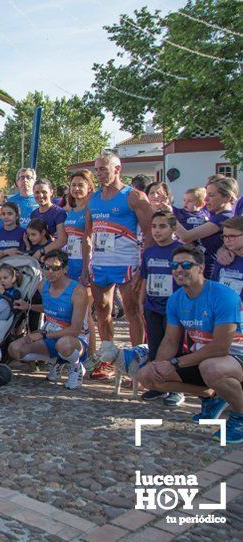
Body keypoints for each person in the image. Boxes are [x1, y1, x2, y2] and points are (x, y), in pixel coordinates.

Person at [138, 245, 243, 444]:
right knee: (147, 375)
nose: (179, 269)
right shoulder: (176, 299)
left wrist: (175, 363)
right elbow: (170, 340)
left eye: (186, 264)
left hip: (234, 356)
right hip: (204, 358)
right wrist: (159, 364)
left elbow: (221, 347)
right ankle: (211, 398)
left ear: (200, 268)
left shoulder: (223, 295)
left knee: (211, 367)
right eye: (175, 265)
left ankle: (239, 416)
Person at [85, 153, 152, 379]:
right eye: (97, 170)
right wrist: (87, 265)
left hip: (126, 263)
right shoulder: (93, 199)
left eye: (103, 169)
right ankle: (107, 357)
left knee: (133, 311)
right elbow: (87, 234)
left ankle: (138, 359)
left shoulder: (133, 196)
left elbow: (151, 233)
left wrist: (143, 268)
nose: (99, 174)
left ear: (117, 169)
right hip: (101, 265)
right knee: (102, 310)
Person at [8, 250, 91, 389]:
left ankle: (76, 367)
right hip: (50, 333)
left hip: (73, 339)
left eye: (55, 268)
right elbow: (49, 308)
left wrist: (42, 334)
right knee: (14, 350)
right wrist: (29, 306)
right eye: (46, 267)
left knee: (64, 345)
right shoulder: (43, 285)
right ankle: (54, 361)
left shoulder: (78, 291)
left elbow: (75, 330)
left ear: (65, 269)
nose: (50, 271)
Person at [138, 211, 185, 406]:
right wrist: (141, 302)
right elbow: (145, 278)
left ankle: (177, 389)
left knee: (175, 348)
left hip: (174, 309)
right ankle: (158, 386)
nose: (157, 231)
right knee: (155, 346)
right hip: (152, 306)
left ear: (173, 229)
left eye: (162, 226)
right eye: (154, 226)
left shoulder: (181, 250)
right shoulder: (149, 251)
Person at [174, 178, 237, 279]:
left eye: (211, 195)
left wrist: (167, 215)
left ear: (227, 197)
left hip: (212, 271)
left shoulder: (224, 217)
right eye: (206, 194)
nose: (206, 199)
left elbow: (186, 236)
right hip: (203, 268)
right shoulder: (214, 214)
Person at [64, 170, 94, 281]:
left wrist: (86, 268)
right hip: (71, 263)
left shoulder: (91, 209)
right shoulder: (70, 211)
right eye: (73, 185)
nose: (76, 189)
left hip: (86, 264)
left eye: (81, 185)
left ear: (89, 187)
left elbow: (90, 239)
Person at [30, 179, 67, 252]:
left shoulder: (59, 213)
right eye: (37, 192)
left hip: (52, 256)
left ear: (51, 192)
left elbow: (62, 240)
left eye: (44, 192)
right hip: (35, 256)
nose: (40, 195)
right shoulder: (33, 214)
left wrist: (41, 252)